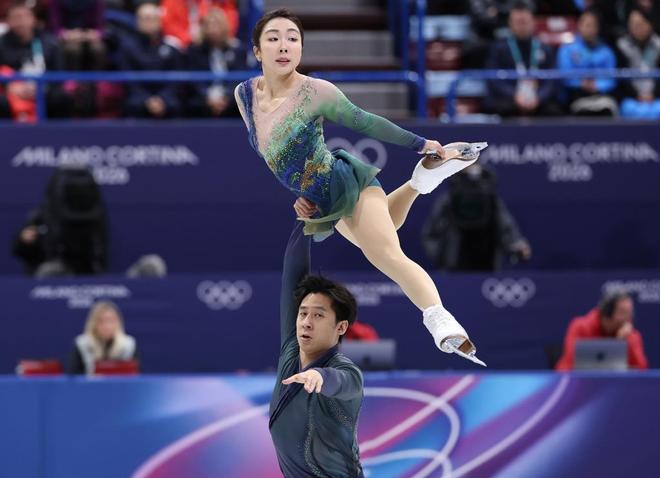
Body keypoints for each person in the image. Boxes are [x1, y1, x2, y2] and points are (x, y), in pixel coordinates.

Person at [234, 8, 486, 365]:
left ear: (301, 48)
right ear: (257, 51)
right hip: (322, 201)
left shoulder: (315, 91)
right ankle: (421, 181)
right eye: (273, 38)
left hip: (343, 182)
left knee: (386, 255)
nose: (284, 46)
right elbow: (279, 157)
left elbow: (366, 123)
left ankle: (440, 321)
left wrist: (420, 143)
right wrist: (302, 194)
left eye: (293, 38)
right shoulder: (245, 95)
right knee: (386, 229)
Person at [270, 221, 364, 477]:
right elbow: (293, 273)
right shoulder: (291, 349)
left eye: (318, 315)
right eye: (303, 313)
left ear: (341, 327)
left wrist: (319, 376)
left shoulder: (346, 370)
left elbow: (343, 382)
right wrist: (305, 222)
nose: (306, 322)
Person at [422, 164, 531, 272]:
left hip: (487, 259)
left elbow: (505, 225)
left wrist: (517, 243)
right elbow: (431, 233)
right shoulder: (448, 200)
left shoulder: (491, 199)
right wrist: (441, 256)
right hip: (455, 260)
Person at [11, 165, 108, 277]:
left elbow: (100, 252)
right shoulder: (42, 216)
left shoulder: (94, 216)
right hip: (46, 273)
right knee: (49, 271)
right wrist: (24, 240)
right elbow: (19, 250)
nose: (75, 191)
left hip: (83, 272)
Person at [483, 1, 561, 117]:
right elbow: (493, 78)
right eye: (518, 22)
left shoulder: (545, 48)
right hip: (509, 100)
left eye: (525, 22)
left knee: (554, 110)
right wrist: (514, 95)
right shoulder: (499, 48)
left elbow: (552, 80)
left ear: (533, 22)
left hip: (538, 100)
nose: (522, 26)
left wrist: (539, 97)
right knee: (500, 107)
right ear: (510, 23)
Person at [0, 0, 71, 120]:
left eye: (24, 16)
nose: (20, 22)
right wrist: (9, 86)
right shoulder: (1, 44)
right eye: (15, 17)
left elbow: (59, 75)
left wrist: (42, 87)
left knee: (61, 98)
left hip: (43, 90)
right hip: (11, 92)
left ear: (33, 19)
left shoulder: (50, 43)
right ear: (8, 21)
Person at [116, 3, 182, 118]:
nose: (149, 23)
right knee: (133, 104)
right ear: (137, 22)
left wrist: (163, 98)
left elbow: (176, 78)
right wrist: (146, 99)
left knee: (177, 104)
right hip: (138, 96)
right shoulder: (127, 48)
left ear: (160, 21)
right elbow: (129, 78)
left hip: (166, 98)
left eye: (152, 18)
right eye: (145, 19)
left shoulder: (172, 46)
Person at [555, 291, 648, 370]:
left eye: (630, 313)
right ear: (607, 312)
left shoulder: (631, 335)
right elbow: (570, 363)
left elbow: (641, 369)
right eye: (623, 312)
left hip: (614, 385)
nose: (629, 318)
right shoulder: (580, 327)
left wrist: (623, 341)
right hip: (578, 383)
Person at [184, 7, 247, 118]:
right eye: (208, 25)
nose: (212, 29)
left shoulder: (237, 49)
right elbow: (194, 79)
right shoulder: (194, 50)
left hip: (230, 99)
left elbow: (240, 78)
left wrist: (226, 97)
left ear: (225, 27)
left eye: (217, 25)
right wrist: (208, 98)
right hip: (203, 99)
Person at [557, 8, 618, 116]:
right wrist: (580, 83)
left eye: (593, 26)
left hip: (601, 95)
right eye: (586, 25)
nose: (589, 29)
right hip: (576, 94)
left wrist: (597, 85)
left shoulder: (606, 52)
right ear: (579, 26)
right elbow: (565, 75)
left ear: (598, 28)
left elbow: (611, 78)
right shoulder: (567, 49)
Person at [69, 300, 139, 375]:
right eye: (101, 321)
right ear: (93, 323)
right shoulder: (82, 344)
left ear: (118, 322)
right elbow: (74, 376)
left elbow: (137, 376)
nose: (107, 326)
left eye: (111, 321)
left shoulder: (128, 344)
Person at [616, 9, 660, 120]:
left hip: (656, 99)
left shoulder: (658, 45)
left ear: (649, 24)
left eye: (640, 24)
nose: (637, 28)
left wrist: (654, 94)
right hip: (632, 99)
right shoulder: (621, 46)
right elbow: (621, 79)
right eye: (634, 24)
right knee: (627, 107)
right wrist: (636, 95)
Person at [161, 0, 238, 50]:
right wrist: (188, 39)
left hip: (207, 40)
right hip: (182, 43)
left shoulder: (208, 3)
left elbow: (228, 20)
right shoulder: (171, 2)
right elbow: (169, 25)